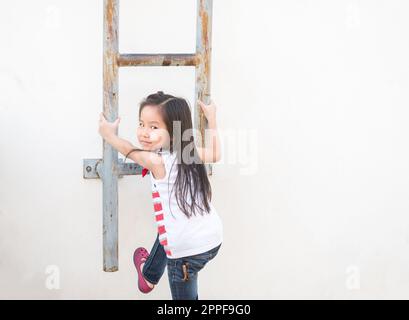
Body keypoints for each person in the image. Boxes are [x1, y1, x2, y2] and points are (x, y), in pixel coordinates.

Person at [98, 91, 223, 300]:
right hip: (213, 239)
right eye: (141, 124)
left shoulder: (157, 161)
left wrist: (109, 135)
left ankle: (148, 275)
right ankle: (149, 275)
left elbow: (129, 149)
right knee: (170, 221)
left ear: (173, 133)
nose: (144, 133)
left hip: (185, 254)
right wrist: (212, 119)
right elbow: (216, 154)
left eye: (154, 127)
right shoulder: (189, 151)